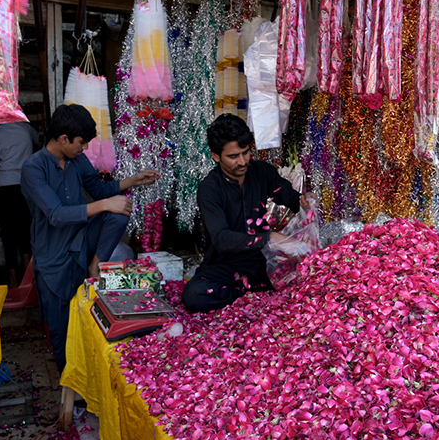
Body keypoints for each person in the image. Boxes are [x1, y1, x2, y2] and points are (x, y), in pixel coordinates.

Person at [21, 104, 159, 372]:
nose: (84, 149)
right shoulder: (33, 168)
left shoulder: (76, 160)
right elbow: (57, 215)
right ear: (63, 139)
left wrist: (133, 181)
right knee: (61, 327)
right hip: (53, 255)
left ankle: (95, 264)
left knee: (119, 212)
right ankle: (70, 389)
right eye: (81, 143)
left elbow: (99, 189)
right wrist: (106, 204)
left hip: (82, 242)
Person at [182, 114, 311, 313]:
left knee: (308, 277)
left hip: (263, 261)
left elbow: (292, 199)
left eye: (246, 152)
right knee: (195, 294)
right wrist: (270, 237)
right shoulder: (210, 188)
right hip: (223, 265)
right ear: (216, 156)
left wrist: (305, 201)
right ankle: (252, 296)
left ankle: (255, 293)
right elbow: (222, 239)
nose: (242, 162)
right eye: (233, 156)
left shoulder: (261, 172)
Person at [0, 121, 40, 289]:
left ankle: (13, 280)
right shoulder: (26, 129)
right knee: (25, 232)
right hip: (25, 184)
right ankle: (28, 280)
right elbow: (39, 144)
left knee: (8, 234)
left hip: (4, 186)